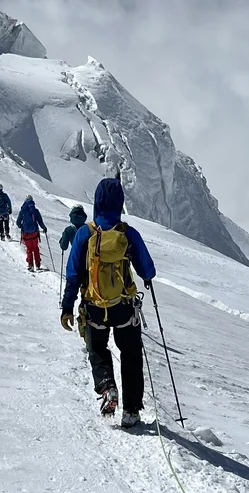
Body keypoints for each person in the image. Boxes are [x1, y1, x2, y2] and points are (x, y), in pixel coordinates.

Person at [60, 177, 155, 428]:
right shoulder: (127, 233)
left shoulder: (86, 233)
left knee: (98, 349)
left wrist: (67, 307)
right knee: (131, 354)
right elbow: (147, 268)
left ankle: (107, 386)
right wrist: (146, 278)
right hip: (123, 306)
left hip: (94, 307)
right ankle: (131, 411)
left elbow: (73, 274)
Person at [15, 195, 47, 271]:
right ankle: (38, 265)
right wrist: (44, 228)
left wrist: (22, 226)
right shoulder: (35, 211)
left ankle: (30, 265)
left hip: (26, 234)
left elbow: (18, 222)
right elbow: (40, 221)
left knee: (29, 249)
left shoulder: (22, 211)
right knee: (36, 248)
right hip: (34, 233)